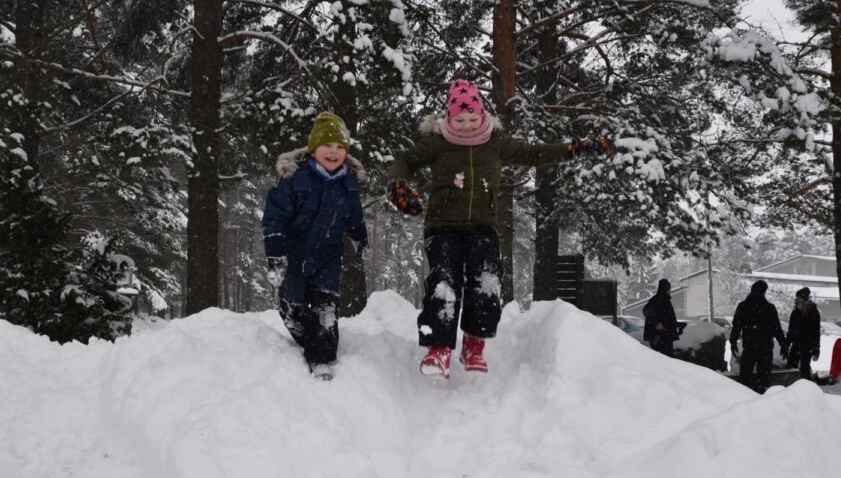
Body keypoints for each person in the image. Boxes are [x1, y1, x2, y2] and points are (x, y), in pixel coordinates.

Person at [388, 79, 610, 379]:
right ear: (449, 119)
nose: (466, 125)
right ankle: (438, 348)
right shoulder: (438, 142)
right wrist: (399, 184)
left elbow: (534, 153)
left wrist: (573, 149)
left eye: (472, 118)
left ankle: (474, 343)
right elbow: (404, 160)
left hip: (483, 225)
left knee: (487, 281)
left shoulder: (496, 141)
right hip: (442, 226)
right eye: (459, 119)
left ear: (483, 116)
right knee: (444, 283)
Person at [261, 112, 368, 381]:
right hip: (295, 254)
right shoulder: (296, 179)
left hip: (328, 257)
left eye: (340, 148)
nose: (333, 152)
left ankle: (322, 359)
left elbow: (354, 215)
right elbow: (275, 216)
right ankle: (297, 322)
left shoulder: (348, 184)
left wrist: (360, 237)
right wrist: (275, 251)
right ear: (313, 150)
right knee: (294, 305)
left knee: (325, 309)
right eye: (327, 147)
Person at [729, 280, 787, 393]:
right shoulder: (769, 308)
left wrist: (733, 341)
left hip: (751, 346)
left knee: (746, 377)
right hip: (764, 347)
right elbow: (776, 328)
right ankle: (761, 396)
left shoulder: (744, 306)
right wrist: (783, 344)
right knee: (763, 378)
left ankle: (746, 396)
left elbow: (737, 326)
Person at [784, 286, 821, 381]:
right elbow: (791, 330)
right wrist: (786, 344)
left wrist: (816, 348)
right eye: (796, 297)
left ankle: (805, 388)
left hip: (807, 346)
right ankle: (792, 386)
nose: (796, 299)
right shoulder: (795, 312)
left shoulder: (813, 312)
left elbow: (816, 331)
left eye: (798, 297)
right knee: (791, 366)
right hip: (797, 345)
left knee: (804, 369)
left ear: (803, 298)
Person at [642, 279, 680, 357]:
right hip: (660, 337)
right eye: (669, 289)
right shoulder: (657, 300)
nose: (670, 291)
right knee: (664, 360)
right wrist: (656, 323)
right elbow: (646, 311)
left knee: (667, 360)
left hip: (666, 336)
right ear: (665, 289)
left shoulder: (664, 300)